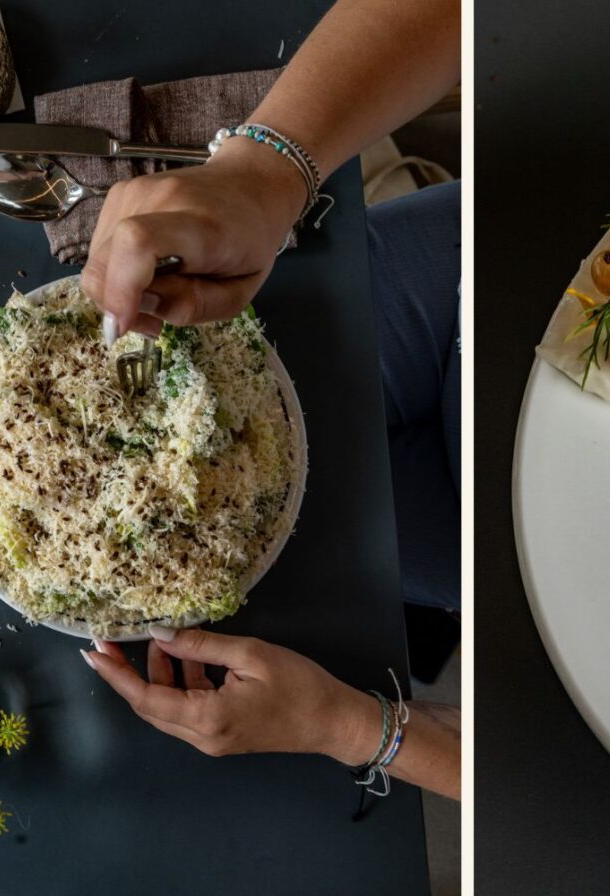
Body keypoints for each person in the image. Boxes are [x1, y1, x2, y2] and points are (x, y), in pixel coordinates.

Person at [78, 0, 461, 801]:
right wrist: (261, 172)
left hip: (497, 553)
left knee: (322, 554)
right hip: (480, 286)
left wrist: (354, 728)